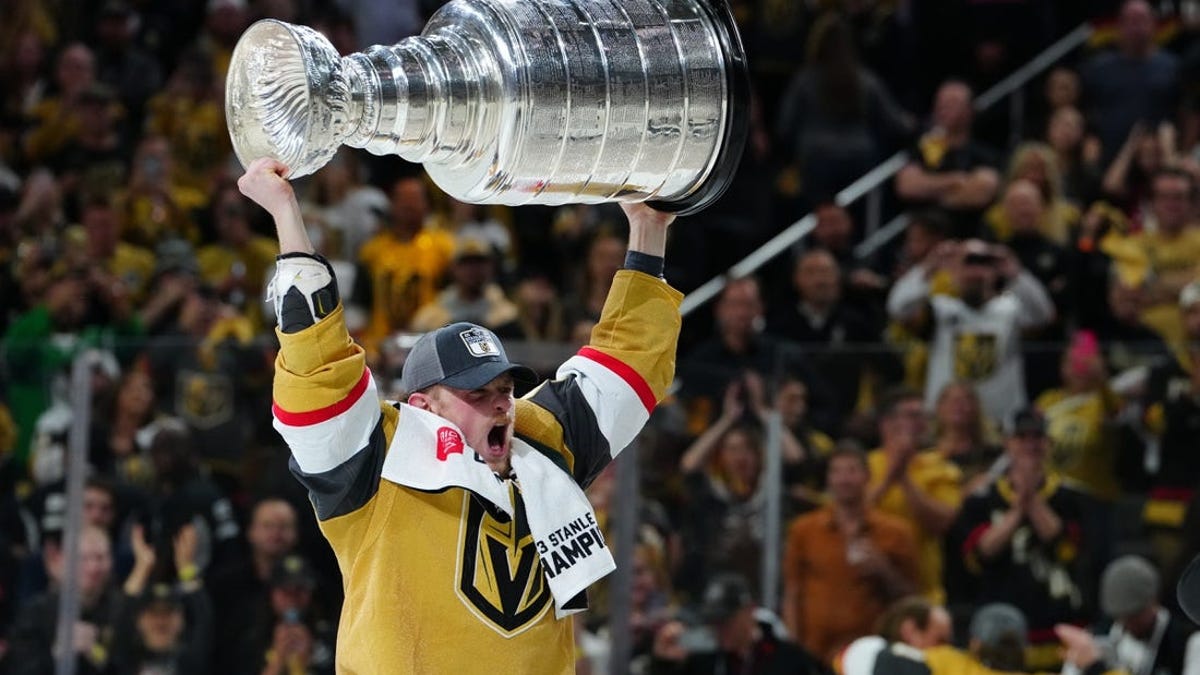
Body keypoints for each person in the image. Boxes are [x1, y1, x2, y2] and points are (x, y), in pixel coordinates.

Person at [238, 156, 682, 673]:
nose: (500, 402)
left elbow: (630, 364)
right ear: (423, 405)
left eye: (504, 388)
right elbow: (318, 372)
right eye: (475, 393)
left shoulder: (541, 441)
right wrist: (285, 214)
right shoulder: (377, 459)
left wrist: (647, 228)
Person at [947, 408, 1090, 671]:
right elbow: (980, 554)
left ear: (1049, 443)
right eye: (1021, 436)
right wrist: (1018, 509)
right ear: (1007, 443)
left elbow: (1066, 550)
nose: (1030, 444)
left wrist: (1031, 499)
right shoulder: (982, 498)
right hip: (999, 624)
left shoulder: (1072, 497)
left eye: (1037, 436)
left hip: (1057, 622)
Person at [784, 448, 920, 661]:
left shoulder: (896, 532)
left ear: (867, 476)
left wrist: (884, 570)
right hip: (815, 653)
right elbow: (793, 592)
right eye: (836, 472)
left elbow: (911, 597)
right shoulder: (804, 529)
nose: (844, 479)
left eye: (851, 471)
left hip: (871, 655)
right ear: (828, 479)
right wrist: (792, 647)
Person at [649, 573, 832, 675]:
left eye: (727, 621)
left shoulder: (788, 659)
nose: (720, 629)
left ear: (749, 611)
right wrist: (664, 664)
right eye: (715, 622)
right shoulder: (704, 661)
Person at [1095, 555, 1200, 674]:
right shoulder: (1101, 638)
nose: (1128, 624)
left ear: (1153, 600)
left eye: (1135, 615)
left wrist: (1096, 669)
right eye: (1121, 616)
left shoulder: (1189, 642)